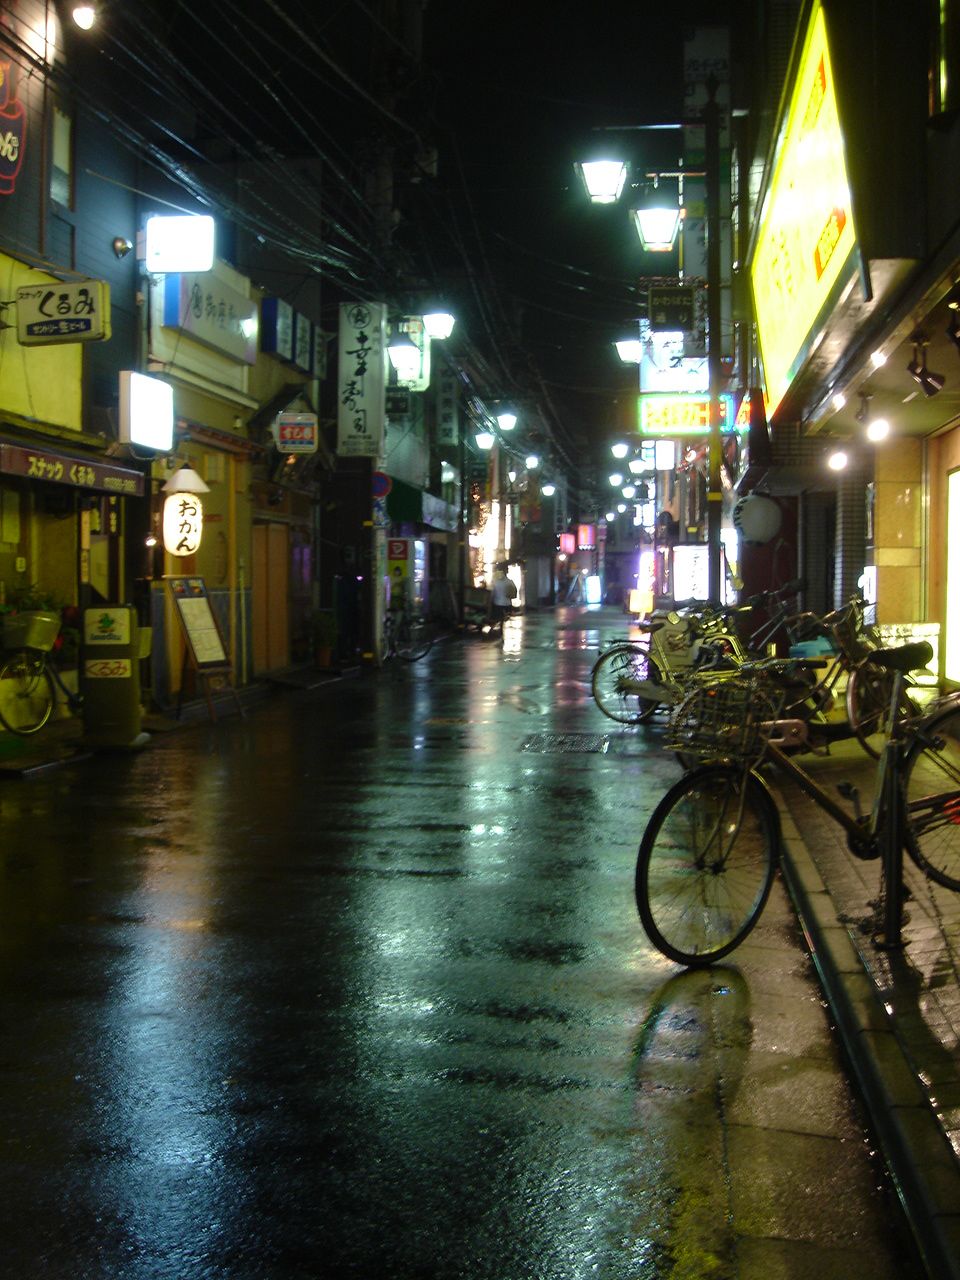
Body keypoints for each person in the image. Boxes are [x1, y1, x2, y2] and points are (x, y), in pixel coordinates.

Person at [489, 563, 516, 629]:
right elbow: (513, 594)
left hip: (497, 605)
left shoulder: (495, 582)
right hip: (508, 605)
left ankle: (493, 622)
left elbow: (492, 594)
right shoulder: (510, 582)